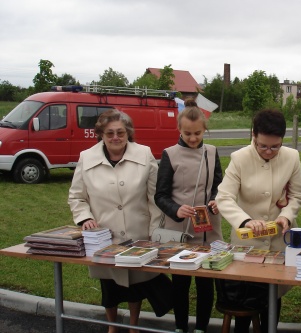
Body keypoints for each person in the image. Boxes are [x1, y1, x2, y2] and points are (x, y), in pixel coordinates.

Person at [68, 109, 171, 333]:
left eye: (121, 133)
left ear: (128, 133)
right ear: (101, 134)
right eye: (110, 133)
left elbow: (155, 197)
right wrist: (84, 217)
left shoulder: (144, 154)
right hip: (106, 237)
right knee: (109, 287)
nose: (116, 137)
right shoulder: (87, 157)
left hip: (139, 234)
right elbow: (77, 196)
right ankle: (111, 327)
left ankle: (133, 326)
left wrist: (155, 229)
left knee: (136, 284)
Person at [216, 109, 301, 333]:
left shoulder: (291, 157)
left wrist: (286, 215)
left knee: (272, 297)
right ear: (253, 135)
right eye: (263, 146)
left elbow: (297, 195)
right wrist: (245, 221)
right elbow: (224, 197)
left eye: (275, 147)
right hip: (248, 242)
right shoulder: (239, 158)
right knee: (245, 299)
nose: (268, 151)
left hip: (277, 240)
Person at [155, 99, 223, 333]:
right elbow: (160, 195)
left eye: (197, 133)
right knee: (180, 284)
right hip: (180, 230)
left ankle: (202, 327)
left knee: (206, 283)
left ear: (205, 129)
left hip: (207, 229)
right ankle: (180, 327)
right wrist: (176, 209)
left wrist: (216, 200)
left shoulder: (212, 152)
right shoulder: (169, 154)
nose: (193, 138)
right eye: (187, 134)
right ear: (179, 130)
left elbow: (218, 186)